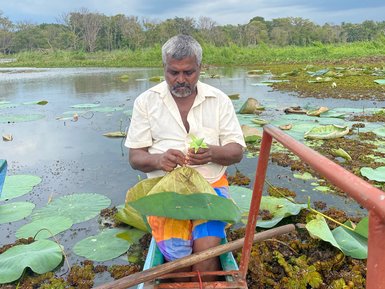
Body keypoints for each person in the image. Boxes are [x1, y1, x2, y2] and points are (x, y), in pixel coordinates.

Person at [125, 34, 246, 281]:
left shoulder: (218, 100)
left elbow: (236, 152)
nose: (180, 80)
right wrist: (159, 160)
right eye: (173, 72)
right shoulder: (146, 101)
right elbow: (135, 157)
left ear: (200, 68)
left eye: (188, 72)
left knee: (206, 253)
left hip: (210, 188)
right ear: (164, 68)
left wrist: (212, 152)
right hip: (164, 190)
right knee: (177, 257)